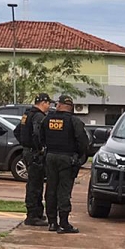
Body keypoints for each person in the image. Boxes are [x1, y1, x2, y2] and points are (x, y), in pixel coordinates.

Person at [38, 95, 90, 234]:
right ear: (71, 107)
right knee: (64, 191)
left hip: (50, 157)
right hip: (67, 159)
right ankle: (64, 223)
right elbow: (83, 142)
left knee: (51, 190)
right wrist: (79, 157)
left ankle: (52, 223)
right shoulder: (75, 121)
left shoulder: (47, 119)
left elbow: (40, 137)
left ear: (60, 105)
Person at [15, 93, 52, 226]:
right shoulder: (38, 116)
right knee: (35, 185)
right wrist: (39, 148)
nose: (49, 106)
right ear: (43, 103)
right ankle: (32, 215)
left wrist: (25, 145)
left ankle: (37, 213)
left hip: (27, 152)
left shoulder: (27, 114)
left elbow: (17, 131)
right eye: (48, 103)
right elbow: (37, 133)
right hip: (35, 154)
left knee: (34, 183)